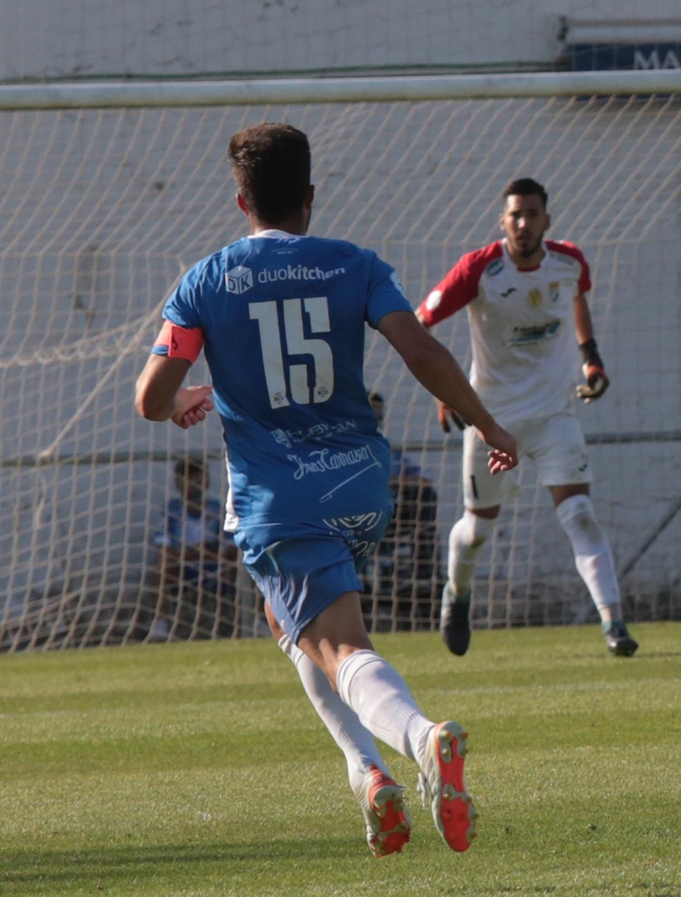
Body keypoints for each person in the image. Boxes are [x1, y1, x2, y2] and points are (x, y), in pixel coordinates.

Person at [133, 123, 519, 857]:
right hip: (362, 485)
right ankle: (367, 774)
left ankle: (418, 740)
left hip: (279, 497)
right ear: (311, 195)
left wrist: (182, 400)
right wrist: (489, 425)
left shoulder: (207, 281)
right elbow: (421, 349)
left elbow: (152, 396)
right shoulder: (354, 265)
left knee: (338, 644)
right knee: (291, 626)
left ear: (240, 199)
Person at [420, 177, 637, 657]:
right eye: (514, 215)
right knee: (477, 531)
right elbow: (421, 323)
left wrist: (591, 358)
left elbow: (577, 297)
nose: (523, 223)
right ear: (503, 221)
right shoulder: (478, 269)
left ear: (546, 220)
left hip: (554, 413)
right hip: (492, 421)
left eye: (532, 214)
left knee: (580, 514)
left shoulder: (569, 263)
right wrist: (446, 391)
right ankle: (456, 596)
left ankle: (614, 624)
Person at [368, 391, 442, 628]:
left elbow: (424, 479)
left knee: (425, 497)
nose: (377, 419)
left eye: (379, 415)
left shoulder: (388, 450)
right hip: (356, 520)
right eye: (372, 413)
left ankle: (423, 576)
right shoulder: (342, 448)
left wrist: (393, 479)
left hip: (392, 520)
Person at [149, 458, 239, 641]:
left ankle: (244, 622)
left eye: (200, 481)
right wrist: (193, 553)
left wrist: (210, 553)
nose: (195, 487)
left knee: (240, 564)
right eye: (190, 482)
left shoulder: (217, 509)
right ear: (178, 484)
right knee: (161, 567)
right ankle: (161, 622)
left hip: (214, 566)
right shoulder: (173, 511)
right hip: (184, 567)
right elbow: (163, 547)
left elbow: (231, 546)